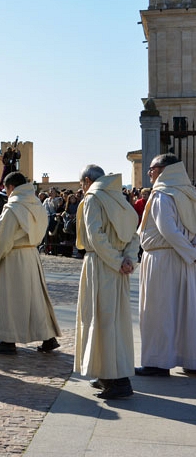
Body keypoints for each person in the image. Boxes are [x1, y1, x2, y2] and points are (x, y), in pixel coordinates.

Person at [75, 165, 139, 399]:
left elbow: (95, 235)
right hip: (117, 268)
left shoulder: (93, 198)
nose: (82, 188)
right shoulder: (119, 199)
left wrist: (115, 261)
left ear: (87, 181)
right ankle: (105, 373)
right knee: (114, 320)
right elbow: (134, 233)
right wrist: (127, 260)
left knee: (103, 320)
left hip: (100, 266)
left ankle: (118, 381)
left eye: (81, 183)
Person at [0, 172, 61, 355]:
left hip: (14, 257)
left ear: (10, 187)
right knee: (36, 299)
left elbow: (3, 238)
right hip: (32, 254)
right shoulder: (36, 203)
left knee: (11, 299)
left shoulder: (13, 207)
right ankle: (48, 337)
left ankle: (8, 340)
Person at [137, 154, 196, 376]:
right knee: (184, 311)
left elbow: (168, 230)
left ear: (163, 169)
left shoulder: (162, 195)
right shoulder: (188, 193)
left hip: (162, 260)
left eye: (151, 168)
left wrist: (191, 253)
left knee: (159, 310)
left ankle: (157, 362)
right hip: (184, 260)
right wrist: (192, 253)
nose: (149, 173)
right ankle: (189, 358)